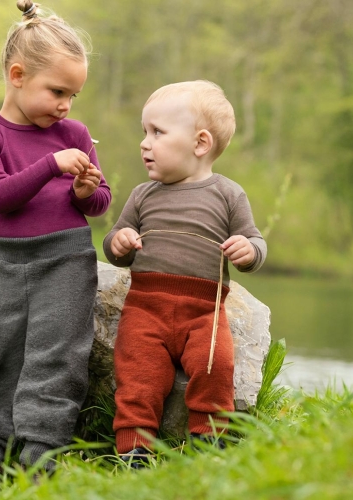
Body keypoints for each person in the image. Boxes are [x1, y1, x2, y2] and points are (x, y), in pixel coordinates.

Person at [0, 1, 111, 491]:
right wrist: (51, 165)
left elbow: (100, 202)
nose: (66, 105)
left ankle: (40, 456)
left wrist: (87, 192)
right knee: (3, 354)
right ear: (18, 75)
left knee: (57, 358)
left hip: (68, 259)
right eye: (58, 91)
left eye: (74, 94)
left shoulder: (75, 134)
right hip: (13, 263)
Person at [103, 80, 267, 466]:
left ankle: (209, 443)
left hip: (204, 313)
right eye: (144, 132)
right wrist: (120, 241)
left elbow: (256, 243)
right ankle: (134, 449)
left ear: (200, 143)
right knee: (138, 373)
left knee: (216, 367)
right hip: (145, 307)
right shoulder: (143, 195)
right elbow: (114, 246)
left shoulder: (228, 195)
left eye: (157, 132)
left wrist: (248, 251)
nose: (145, 143)